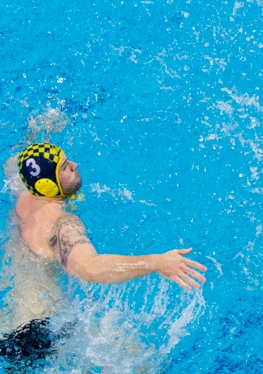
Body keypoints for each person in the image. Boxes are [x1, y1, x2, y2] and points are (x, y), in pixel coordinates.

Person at [1, 142, 207, 365]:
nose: (74, 165)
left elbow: (11, 165)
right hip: (42, 332)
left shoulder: (25, 198)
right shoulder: (61, 225)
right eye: (64, 167)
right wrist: (157, 263)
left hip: (10, 322)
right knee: (141, 361)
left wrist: (37, 130)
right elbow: (88, 267)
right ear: (47, 185)